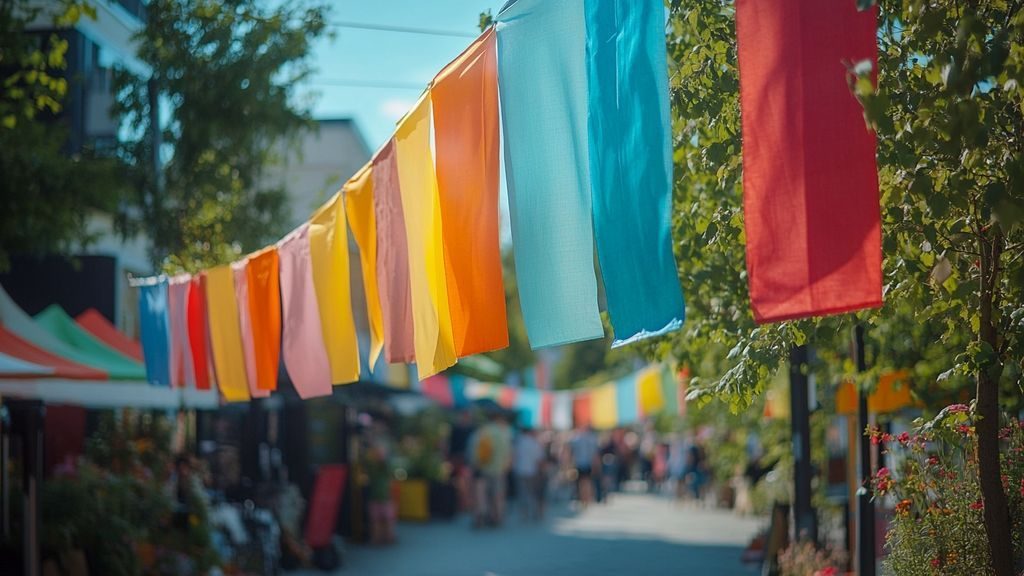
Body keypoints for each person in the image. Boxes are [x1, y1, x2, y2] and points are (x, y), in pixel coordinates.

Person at [467, 410, 513, 528]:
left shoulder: (482, 431)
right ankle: (497, 517)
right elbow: (508, 452)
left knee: (480, 494)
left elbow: (473, 449)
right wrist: (506, 466)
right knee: (497, 494)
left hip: (482, 468)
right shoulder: (504, 433)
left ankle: (480, 515)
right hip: (499, 469)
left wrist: (474, 465)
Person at [364, 439, 396, 545]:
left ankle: (388, 538)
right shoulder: (372, 466)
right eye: (378, 452)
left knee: (387, 520)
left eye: (381, 452)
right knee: (375, 520)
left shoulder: (385, 466)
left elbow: (387, 465)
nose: (380, 455)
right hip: (375, 497)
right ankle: (376, 538)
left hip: (385, 497)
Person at [513, 427, 544, 521]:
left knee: (522, 492)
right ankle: (534, 511)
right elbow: (539, 459)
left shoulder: (518, 443)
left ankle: (524, 513)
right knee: (533, 492)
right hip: (532, 471)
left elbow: (514, 457)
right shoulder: (534, 443)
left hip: (520, 470)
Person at [569, 426, 599, 507]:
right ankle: (586, 499)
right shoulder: (591, 439)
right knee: (586, 482)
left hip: (581, 464)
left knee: (583, 483)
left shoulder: (577, 439)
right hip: (584, 464)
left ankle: (584, 499)